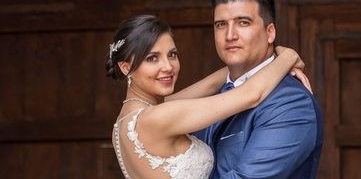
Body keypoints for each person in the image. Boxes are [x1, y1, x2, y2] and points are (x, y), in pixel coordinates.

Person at [106, 14, 311, 179]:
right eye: (152, 58)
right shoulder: (158, 117)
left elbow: (215, 81)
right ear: (125, 67)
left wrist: (272, 54)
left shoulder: (126, 121)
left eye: (172, 54)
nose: (168, 67)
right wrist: (290, 56)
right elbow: (251, 95)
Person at [194, 0, 323, 178]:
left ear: (270, 32)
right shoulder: (211, 95)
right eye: (220, 25)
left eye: (243, 22)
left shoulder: (291, 103)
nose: (230, 35)